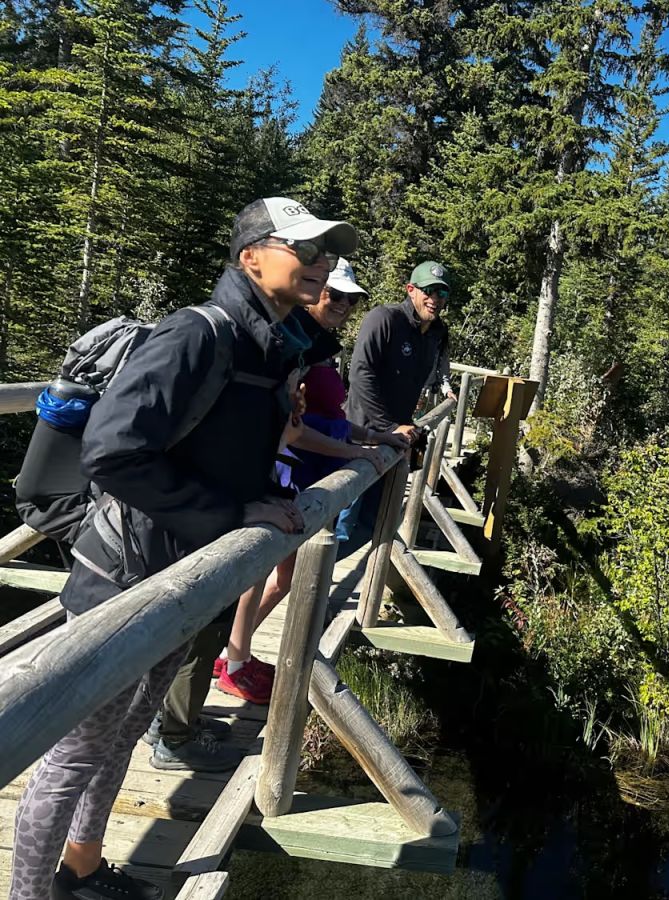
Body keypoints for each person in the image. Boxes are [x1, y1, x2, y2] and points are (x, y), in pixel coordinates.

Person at [8, 197, 356, 900]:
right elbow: (112, 453)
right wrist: (233, 511)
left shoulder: (271, 344)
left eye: (325, 254)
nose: (321, 267)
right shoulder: (198, 334)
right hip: (123, 577)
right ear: (251, 257)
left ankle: (80, 868)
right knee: (76, 754)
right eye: (306, 252)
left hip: (185, 576)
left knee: (129, 728)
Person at [212, 259, 408, 705]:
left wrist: (375, 436)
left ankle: (232, 653)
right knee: (262, 570)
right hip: (286, 473)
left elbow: (329, 418)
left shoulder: (315, 347)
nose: (341, 304)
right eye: (333, 294)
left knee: (286, 574)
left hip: (303, 478)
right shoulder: (292, 345)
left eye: (350, 298)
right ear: (311, 291)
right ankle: (234, 661)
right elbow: (295, 429)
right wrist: (356, 453)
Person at [344, 260, 453, 535]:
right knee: (339, 524)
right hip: (360, 437)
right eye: (428, 291)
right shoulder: (385, 318)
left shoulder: (437, 333)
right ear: (411, 289)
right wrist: (388, 426)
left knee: (374, 525)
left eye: (441, 293)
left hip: (393, 441)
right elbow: (359, 374)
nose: (435, 299)